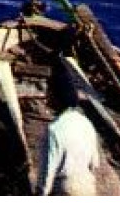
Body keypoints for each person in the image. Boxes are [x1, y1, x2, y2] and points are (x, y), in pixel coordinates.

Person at [40, 64, 102, 196]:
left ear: (56, 97)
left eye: (49, 93)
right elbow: (94, 164)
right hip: (88, 187)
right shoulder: (86, 123)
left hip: (66, 190)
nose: (46, 96)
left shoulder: (54, 130)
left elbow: (46, 176)